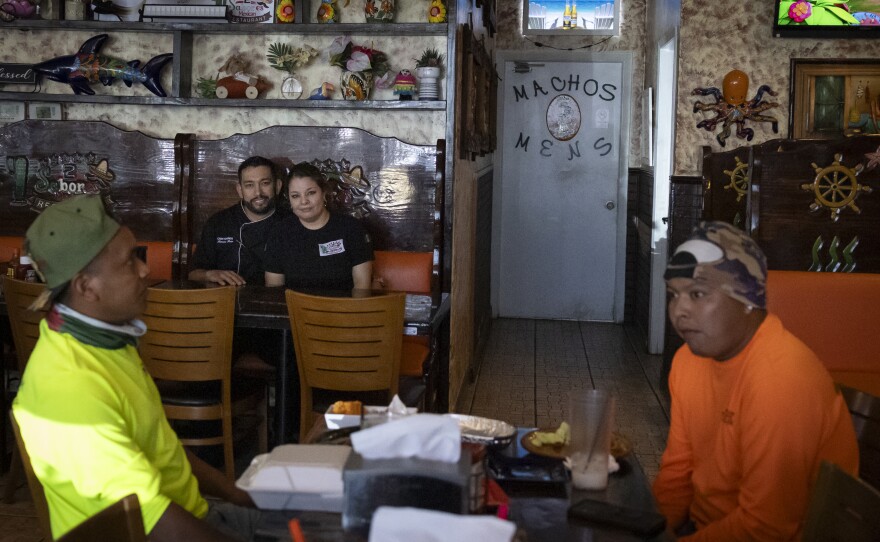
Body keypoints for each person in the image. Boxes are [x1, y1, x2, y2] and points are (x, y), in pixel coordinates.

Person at [12, 196, 260, 541]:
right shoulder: (70, 388)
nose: (145, 270)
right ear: (86, 286)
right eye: (130, 261)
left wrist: (237, 494)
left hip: (198, 512)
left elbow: (160, 444)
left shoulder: (106, 339)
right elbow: (154, 522)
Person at [652, 221, 859, 540]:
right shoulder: (687, 361)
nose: (679, 310)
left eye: (697, 293)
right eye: (673, 295)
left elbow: (766, 527)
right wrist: (650, 530)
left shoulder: (780, 380)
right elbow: (678, 473)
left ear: (748, 298)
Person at [264, 162, 373, 291]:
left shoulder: (351, 229)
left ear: (323, 193)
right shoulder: (279, 233)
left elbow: (362, 288)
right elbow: (274, 290)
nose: (304, 201)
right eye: (295, 196)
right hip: (296, 310)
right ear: (290, 200)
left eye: (311, 193)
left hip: (343, 309)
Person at [189, 156, 283, 286]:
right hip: (226, 301)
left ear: (277, 186)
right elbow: (192, 273)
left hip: (276, 301)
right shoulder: (219, 222)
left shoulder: (290, 223)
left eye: (265, 183)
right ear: (240, 190)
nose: (258, 192)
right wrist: (209, 274)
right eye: (249, 185)